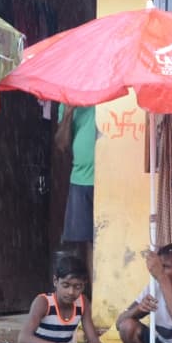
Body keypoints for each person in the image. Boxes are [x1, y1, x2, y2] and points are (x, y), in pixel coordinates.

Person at [56, 105, 97, 275]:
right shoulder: (68, 98)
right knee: (87, 241)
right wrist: (67, 113)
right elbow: (61, 144)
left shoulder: (113, 87)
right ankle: (94, 296)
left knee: (107, 239)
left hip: (113, 177)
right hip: (81, 179)